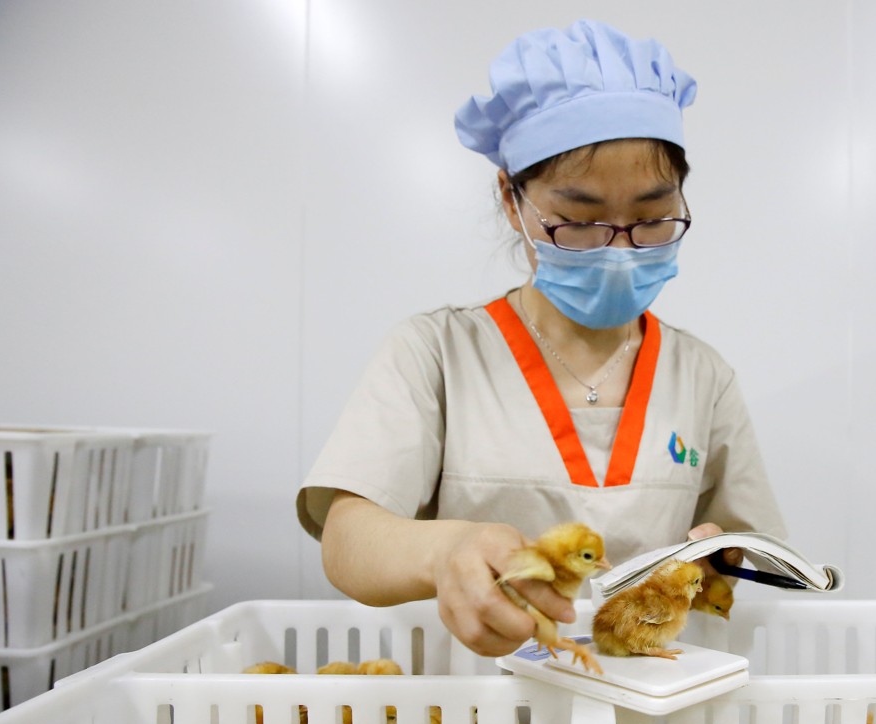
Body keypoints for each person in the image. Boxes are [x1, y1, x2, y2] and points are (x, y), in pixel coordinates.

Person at [296, 19, 786, 657]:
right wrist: (445, 551)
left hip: (642, 714)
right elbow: (346, 541)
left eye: (649, 218)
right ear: (511, 200)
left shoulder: (702, 376)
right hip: (473, 723)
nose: (618, 249)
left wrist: (723, 560)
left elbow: (751, 557)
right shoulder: (438, 353)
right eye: (579, 221)